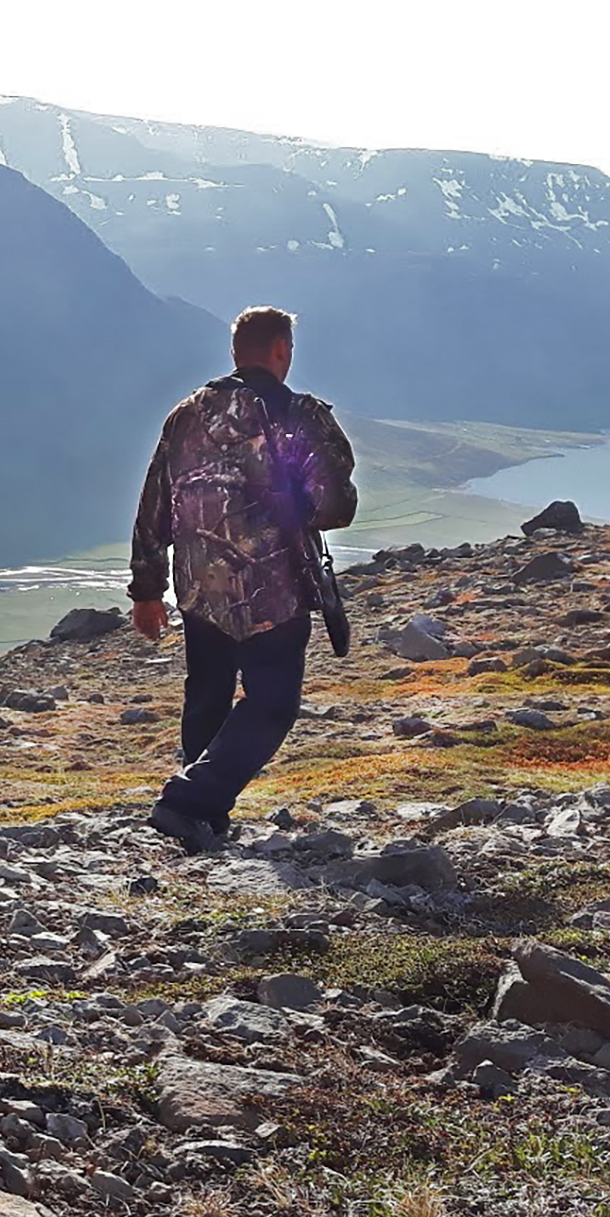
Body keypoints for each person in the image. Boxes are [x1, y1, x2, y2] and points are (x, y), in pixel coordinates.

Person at [126, 306, 357, 852]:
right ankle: (188, 802)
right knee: (272, 703)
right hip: (270, 588)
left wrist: (146, 590)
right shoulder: (299, 414)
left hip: (198, 586)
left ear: (236, 351)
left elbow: (154, 503)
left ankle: (202, 818)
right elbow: (335, 505)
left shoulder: (184, 415)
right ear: (282, 350)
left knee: (207, 694)